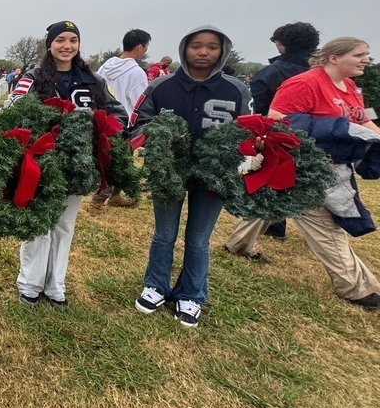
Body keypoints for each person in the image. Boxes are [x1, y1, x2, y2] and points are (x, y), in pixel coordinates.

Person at [134, 26, 253, 328]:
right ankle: (156, 285)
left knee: (199, 238)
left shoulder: (236, 89)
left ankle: (191, 294)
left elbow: (249, 130)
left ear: (221, 51)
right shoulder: (161, 86)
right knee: (164, 233)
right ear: (184, 49)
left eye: (212, 47)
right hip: (169, 171)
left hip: (213, 177)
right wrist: (154, 139)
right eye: (196, 46)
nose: (203, 53)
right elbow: (139, 122)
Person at [10, 21, 128, 310]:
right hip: (43, 163)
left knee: (64, 225)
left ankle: (55, 286)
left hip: (79, 163)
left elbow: (117, 114)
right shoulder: (35, 77)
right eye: (60, 40)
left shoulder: (93, 79)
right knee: (40, 223)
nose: (67, 46)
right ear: (49, 44)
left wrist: (106, 137)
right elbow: (14, 107)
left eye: (73, 40)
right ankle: (30, 284)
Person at [267, 37, 380, 310]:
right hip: (305, 168)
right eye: (359, 54)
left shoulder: (351, 86)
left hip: (338, 167)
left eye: (366, 54)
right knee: (328, 227)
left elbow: (363, 116)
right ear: (334, 58)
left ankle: (238, 243)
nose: (366, 59)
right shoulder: (304, 84)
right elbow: (276, 119)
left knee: (270, 204)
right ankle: (356, 288)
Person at [223, 22, 320, 260]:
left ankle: (259, 232)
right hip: (319, 138)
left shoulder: (271, 73)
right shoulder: (325, 72)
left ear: (282, 45)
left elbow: (258, 109)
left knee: (272, 183)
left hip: (278, 137)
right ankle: (268, 228)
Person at [90, 28, 152, 210]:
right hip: (123, 122)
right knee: (116, 162)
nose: (146, 50)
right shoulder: (136, 72)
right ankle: (97, 201)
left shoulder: (105, 66)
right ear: (139, 47)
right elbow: (140, 101)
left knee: (113, 159)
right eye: (146, 47)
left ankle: (115, 196)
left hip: (104, 120)